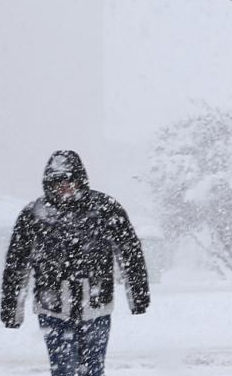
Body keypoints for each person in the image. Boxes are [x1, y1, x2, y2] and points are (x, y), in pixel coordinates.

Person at [2, 150, 150, 376]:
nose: (64, 187)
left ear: (79, 179)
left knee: (93, 369)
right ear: (48, 184)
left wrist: (138, 295)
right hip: (52, 309)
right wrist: (12, 308)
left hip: (96, 306)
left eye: (68, 180)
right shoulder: (35, 215)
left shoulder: (104, 209)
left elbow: (130, 252)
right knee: (62, 369)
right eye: (57, 182)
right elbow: (16, 263)